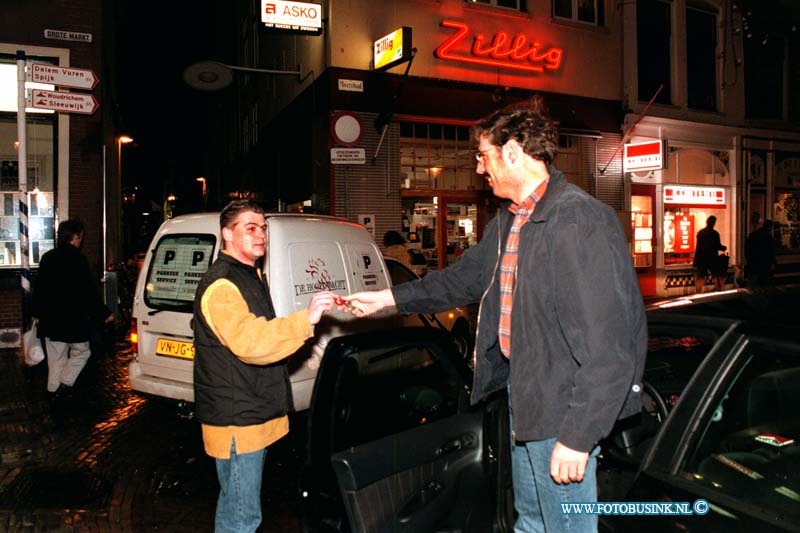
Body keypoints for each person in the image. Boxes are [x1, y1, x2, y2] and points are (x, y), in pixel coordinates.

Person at [342, 98, 646, 532]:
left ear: (513, 152)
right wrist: (388, 300)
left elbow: (609, 348)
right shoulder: (509, 222)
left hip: (563, 415)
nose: (480, 169)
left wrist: (579, 437)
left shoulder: (578, 220)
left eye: (483, 156)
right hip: (526, 405)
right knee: (530, 524)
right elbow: (459, 281)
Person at [193, 200, 334, 532]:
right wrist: (306, 320)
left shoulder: (248, 274)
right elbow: (251, 342)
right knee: (242, 517)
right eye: (250, 228)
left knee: (235, 508)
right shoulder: (223, 286)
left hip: (246, 413)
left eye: (263, 228)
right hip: (237, 423)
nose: (261, 235)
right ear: (227, 234)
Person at [32, 219, 113, 404]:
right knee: (82, 352)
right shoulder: (79, 260)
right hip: (74, 321)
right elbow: (88, 292)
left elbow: (40, 288)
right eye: (80, 237)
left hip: (51, 321)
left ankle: (53, 393)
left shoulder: (48, 258)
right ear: (76, 237)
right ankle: (64, 385)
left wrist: (36, 311)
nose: (81, 240)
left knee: (55, 359)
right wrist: (104, 312)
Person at [693, 215, 727, 293]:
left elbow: (698, 247)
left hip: (701, 258)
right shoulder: (715, 234)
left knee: (700, 276)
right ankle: (718, 290)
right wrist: (724, 248)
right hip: (712, 258)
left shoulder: (701, 232)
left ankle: (698, 292)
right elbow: (717, 246)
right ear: (713, 223)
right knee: (715, 274)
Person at [745, 218, 776, 288]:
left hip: (753, 264)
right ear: (770, 228)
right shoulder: (769, 238)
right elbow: (771, 252)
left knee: (753, 285)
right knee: (764, 286)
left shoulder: (752, 235)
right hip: (764, 265)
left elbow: (747, 248)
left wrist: (748, 259)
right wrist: (772, 263)